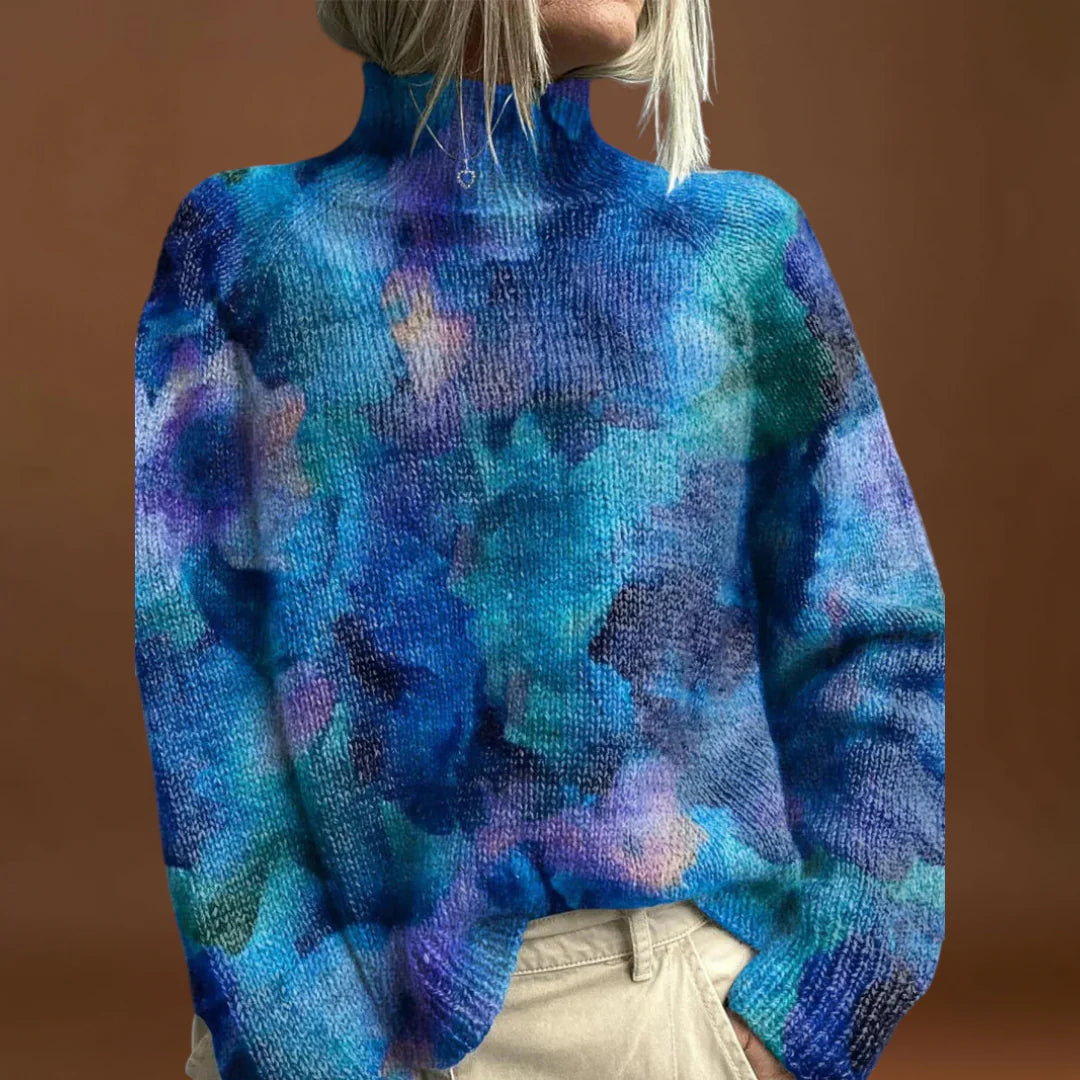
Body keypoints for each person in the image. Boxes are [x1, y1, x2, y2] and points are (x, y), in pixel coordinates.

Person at [133, 2, 946, 1079]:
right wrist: (300, 1053)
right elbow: (200, 681)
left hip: (666, 1012)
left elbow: (875, 636)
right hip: (331, 1030)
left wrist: (811, 1012)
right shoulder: (242, 245)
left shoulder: (741, 246)